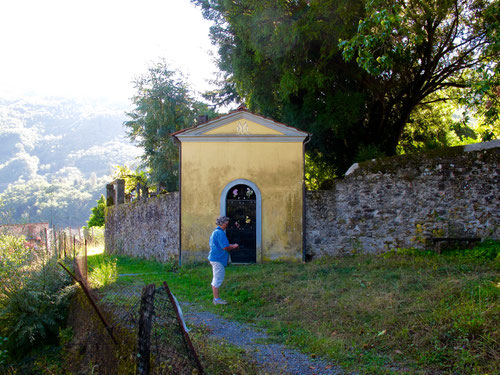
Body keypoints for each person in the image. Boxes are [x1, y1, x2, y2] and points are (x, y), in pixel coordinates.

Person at [208, 216, 239, 305]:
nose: (227, 225)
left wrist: (231, 245)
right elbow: (225, 247)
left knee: (217, 278)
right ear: (223, 223)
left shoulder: (216, 232)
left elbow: (223, 244)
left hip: (215, 258)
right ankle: (216, 300)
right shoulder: (220, 233)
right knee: (217, 279)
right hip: (218, 259)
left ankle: (216, 299)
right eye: (226, 223)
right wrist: (234, 246)